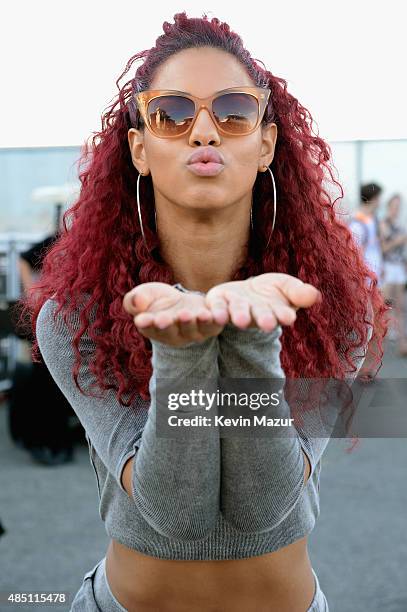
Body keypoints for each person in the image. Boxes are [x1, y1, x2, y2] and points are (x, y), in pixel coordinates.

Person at [19, 12, 387, 612]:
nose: (205, 133)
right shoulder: (75, 317)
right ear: (139, 148)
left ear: (266, 142)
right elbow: (176, 514)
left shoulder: (333, 312)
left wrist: (250, 337)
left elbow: (262, 508)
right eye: (172, 114)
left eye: (235, 110)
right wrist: (184, 351)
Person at [11, 233, 77, 465]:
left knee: (53, 380)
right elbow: (23, 259)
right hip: (48, 314)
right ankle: (43, 440)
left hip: (68, 316)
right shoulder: (60, 237)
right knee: (43, 377)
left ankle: (50, 439)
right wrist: (33, 290)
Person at [380, 194, 407, 356]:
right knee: (383, 307)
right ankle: (377, 347)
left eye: (399, 205)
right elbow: (383, 249)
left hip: (399, 269)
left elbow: (403, 252)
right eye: (394, 205)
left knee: (400, 307)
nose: (396, 208)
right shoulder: (384, 223)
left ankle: (403, 343)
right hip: (387, 268)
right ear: (389, 206)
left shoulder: (400, 225)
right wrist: (399, 241)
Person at [348, 183, 384, 288]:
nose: (380, 201)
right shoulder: (356, 222)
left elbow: (377, 244)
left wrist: (381, 265)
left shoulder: (374, 219)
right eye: (378, 198)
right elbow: (355, 250)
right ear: (373, 198)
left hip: (376, 267)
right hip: (365, 270)